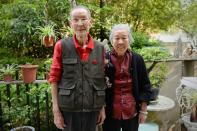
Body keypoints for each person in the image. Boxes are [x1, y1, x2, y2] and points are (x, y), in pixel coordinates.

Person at [49, 5, 106, 131]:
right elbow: (54, 78)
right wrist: (56, 111)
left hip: (92, 108)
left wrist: (101, 108)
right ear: (71, 23)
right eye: (76, 19)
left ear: (90, 22)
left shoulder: (100, 48)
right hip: (69, 109)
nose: (80, 23)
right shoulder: (61, 46)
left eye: (84, 19)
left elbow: (100, 79)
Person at [103, 24, 153, 131]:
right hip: (110, 113)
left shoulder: (137, 59)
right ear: (112, 41)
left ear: (129, 40)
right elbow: (98, 87)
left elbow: (146, 86)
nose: (120, 42)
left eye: (124, 38)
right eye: (117, 38)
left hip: (132, 111)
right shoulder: (105, 59)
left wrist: (143, 111)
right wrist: (101, 109)